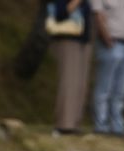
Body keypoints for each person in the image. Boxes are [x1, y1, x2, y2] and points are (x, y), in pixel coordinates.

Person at [89, 0, 124, 137]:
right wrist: (106, 38)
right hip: (111, 43)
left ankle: (117, 124)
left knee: (120, 89)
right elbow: (98, 16)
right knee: (104, 88)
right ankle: (101, 124)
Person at [50, 0, 93, 136]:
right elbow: (59, 13)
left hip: (82, 39)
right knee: (69, 81)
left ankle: (74, 122)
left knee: (80, 83)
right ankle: (64, 124)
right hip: (67, 37)